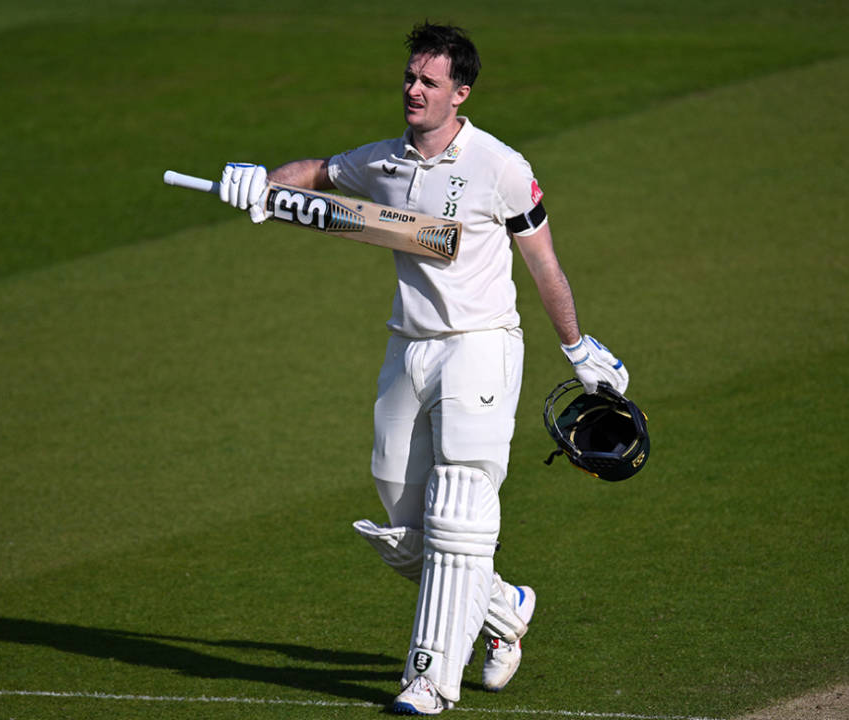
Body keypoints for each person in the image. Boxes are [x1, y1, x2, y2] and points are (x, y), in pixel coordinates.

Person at [216, 22, 630, 716]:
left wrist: (577, 346)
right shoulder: (382, 162)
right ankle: (504, 609)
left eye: (427, 82)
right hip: (408, 347)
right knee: (401, 518)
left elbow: (545, 264)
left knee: (460, 509)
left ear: (459, 94)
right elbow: (317, 176)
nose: (412, 89)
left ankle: (430, 681)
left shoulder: (500, 166)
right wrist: (260, 184)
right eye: (409, 77)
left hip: (481, 345)